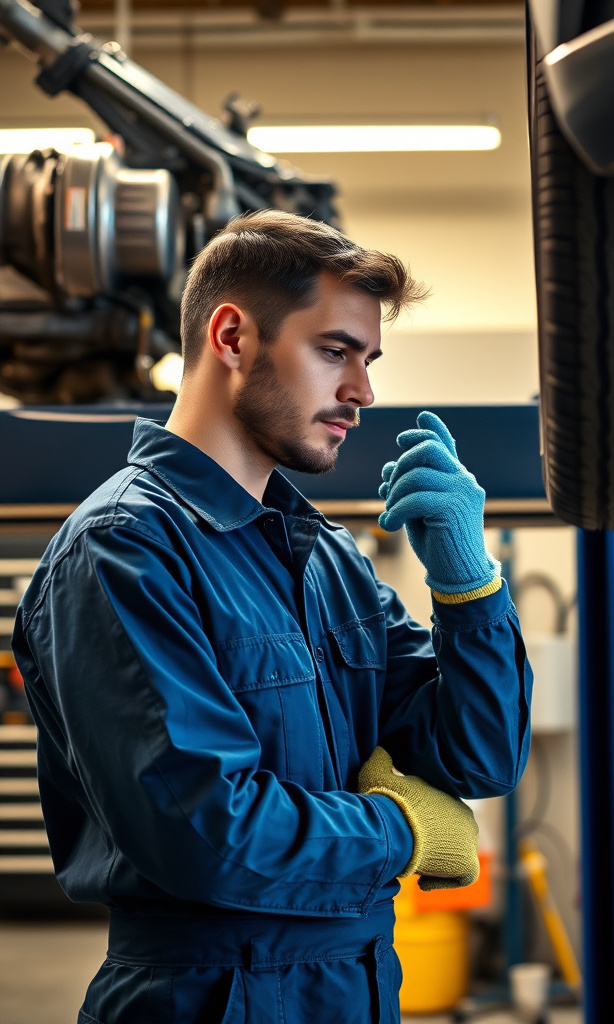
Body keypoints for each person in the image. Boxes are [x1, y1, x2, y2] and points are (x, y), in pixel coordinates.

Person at [12, 209, 533, 1023]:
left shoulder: (328, 561)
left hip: (356, 984)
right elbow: (204, 830)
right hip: (206, 997)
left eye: (368, 360)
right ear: (232, 337)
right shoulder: (123, 551)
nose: (362, 391)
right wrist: (399, 829)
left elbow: (481, 759)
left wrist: (470, 589)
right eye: (335, 352)